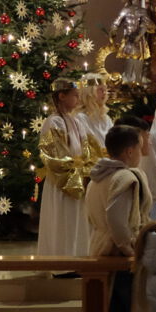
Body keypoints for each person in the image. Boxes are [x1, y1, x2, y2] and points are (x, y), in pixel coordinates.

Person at [86, 125, 154, 312]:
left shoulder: (98, 176)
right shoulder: (125, 178)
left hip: (99, 245)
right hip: (118, 253)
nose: (140, 152)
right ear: (129, 150)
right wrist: (129, 249)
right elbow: (117, 219)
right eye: (139, 146)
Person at [37, 79, 103, 258]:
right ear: (62, 96)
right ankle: (60, 260)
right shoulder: (54, 122)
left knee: (77, 221)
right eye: (75, 96)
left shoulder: (76, 122)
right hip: (63, 181)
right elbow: (55, 155)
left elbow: (89, 149)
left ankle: (78, 257)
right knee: (63, 221)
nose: (78, 99)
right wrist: (75, 173)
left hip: (79, 177)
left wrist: (89, 168)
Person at [81, 77, 113, 146]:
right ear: (90, 92)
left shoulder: (106, 118)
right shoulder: (81, 117)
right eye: (101, 89)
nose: (105, 93)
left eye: (105, 90)